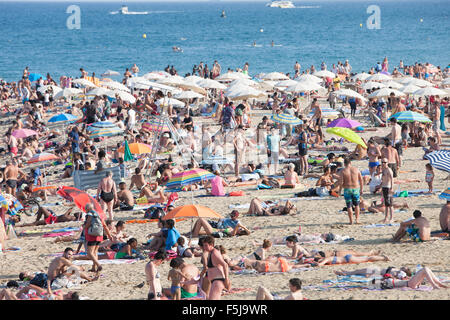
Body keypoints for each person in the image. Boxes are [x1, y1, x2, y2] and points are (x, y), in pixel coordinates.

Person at [84, 203, 112, 272]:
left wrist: (83, 227)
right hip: (99, 235)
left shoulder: (90, 214)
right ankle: (93, 267)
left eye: (85, 209)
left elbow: (88, 224)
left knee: (89, 252)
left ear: (87, 209)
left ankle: (98, 265)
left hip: (92, 235)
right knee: (95, 252)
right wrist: (109, 235)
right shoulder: (99, 214)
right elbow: (104, 225)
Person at [201, 235, 231, 300]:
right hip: (215, 281)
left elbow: (225, 265)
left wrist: (226, 279)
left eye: (206, 245)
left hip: (218, 280)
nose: (204, 247)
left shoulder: (215, 253)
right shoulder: (211, 253)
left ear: (211, 244)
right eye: (203, 245)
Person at [374, 266, 448, 290]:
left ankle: (438, 283)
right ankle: (435, 285)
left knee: (426, 269)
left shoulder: (389, 279)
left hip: (410, 283)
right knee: (425, 269)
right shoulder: (388, 282)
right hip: (409, 284)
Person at [338, 157, 363, 224]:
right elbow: (361, 180)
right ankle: (357, 219)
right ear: (350, 163)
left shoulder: (342, 171)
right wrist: (361, 189)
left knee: (349, 206)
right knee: (357, 205)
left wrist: (340, 191)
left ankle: (351, 221)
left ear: (344, 163)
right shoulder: (356, 169)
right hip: (356, 189)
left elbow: (341, 182)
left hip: (347, 189)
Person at [381, 158, 394, 224]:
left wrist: (392, 188)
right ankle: (386, 217)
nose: (383, 163)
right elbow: (383, 179)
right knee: (386, 204)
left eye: (385, 162)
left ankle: (391, 218)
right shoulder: (383, 170)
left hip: (388, 187)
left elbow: (392, 179)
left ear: (387, 163)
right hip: (384, 187)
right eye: (382, 162)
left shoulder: (389, 170)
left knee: (390, 204)